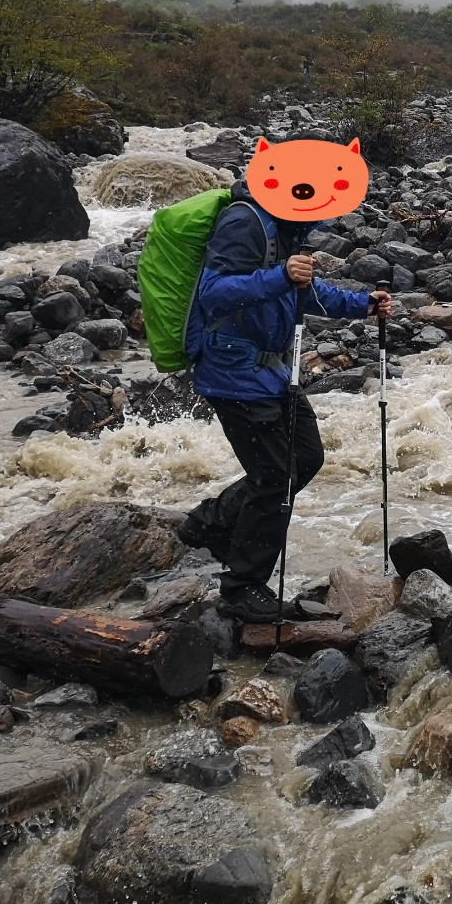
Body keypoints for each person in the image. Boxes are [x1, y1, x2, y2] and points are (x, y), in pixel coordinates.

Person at [177, 183, 393, 621]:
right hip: (234, 371)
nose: (322, 214)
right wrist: (280, 275)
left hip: (270, 373)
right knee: (276, 476)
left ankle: (212, 524)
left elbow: (307, 291)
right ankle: (241, 588)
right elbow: (214, 293)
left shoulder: (286, 229)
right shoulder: (244, 222)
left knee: (306, 458)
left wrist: (363, 306)